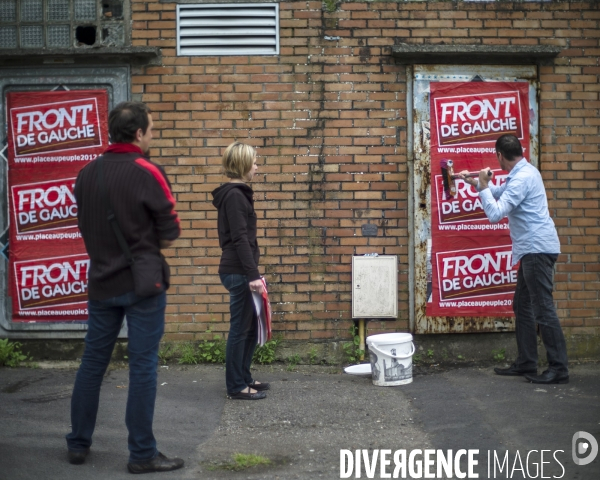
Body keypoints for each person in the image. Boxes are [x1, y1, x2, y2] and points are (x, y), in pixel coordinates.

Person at [66, 102, 184, 473]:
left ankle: (78, 444)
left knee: (92, 364)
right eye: (150, 130)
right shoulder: (147, 171)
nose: (152, 136)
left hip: (101, 280)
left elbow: (84, 223)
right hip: (143, 284)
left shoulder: (87, 173)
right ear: (137, 134)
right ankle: (142, 454)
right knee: (143, 366)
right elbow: (171, 230)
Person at [460, 134, 569, 385]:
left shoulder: (522, 177)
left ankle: (559, 368)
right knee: (522, 304)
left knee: (542, 309)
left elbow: (496, 213)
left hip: (536, 250)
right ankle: (526, 362)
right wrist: (476, 183)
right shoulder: (522, 172)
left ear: (499, 155)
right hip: (531, 249)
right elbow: (499, 191)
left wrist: (484, 187)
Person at [212, 142, 269, 400]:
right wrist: (253, 275)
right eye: (254, 163)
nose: (257, 167)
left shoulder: (239, 194)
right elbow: (240, 238)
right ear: (244, 165)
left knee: (247, 327)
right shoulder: (235, 196)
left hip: (240, 270)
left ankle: (244, 377)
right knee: (239, 329)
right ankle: (236, 385)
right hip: (238, 271)